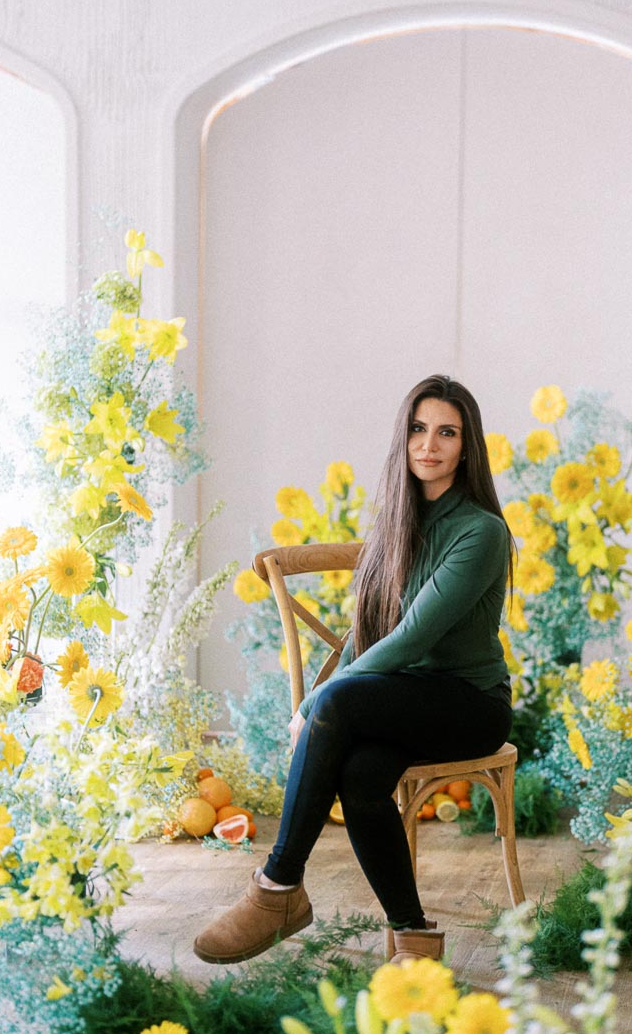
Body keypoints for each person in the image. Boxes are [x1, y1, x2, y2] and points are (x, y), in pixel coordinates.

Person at [194, 374, 514, 966]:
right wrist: (325, 700)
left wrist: (321, 703)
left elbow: (416, 633)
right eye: (419, 429)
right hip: (404, 696)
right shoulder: (397, 522)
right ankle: (415, 939)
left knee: (337, 705)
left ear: (467, 447)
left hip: (470, 704)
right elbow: (369, 631)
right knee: (363, 779)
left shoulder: (482, 531)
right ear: (404, 437)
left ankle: (277, 887)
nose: (430, 444)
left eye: (447, 432)